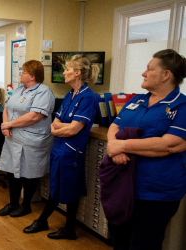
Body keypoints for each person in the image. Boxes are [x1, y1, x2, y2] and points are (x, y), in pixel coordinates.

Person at [105, 49, 186, 249]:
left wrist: (121, 145)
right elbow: (115, 126)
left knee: (144, 243)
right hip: (123, 185)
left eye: (149, 69)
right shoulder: (136, 100)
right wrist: (115, 148)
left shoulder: (181, 106)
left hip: (156, 191)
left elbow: (169, 144)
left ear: (166, 74)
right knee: (118, 239)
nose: (143, 73)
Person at [23, 55, 100, 240]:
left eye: (67, 69)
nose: (64, 72)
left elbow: (74, 129)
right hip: (59, 148)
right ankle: (59, 225)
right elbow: (55, 122)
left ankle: (55, 224)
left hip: (71, 151)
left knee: (68, 189)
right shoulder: (69, 94)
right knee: (57, 186)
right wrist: (61, 129)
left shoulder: (88, 97)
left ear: (77, 72)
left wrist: (60, 129)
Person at [0, 60, 55, 218]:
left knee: (28, 172)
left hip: (31, 140)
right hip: (13, 137)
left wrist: (8, 124)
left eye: (23, 72)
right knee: (11, 170)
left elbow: (34, 116)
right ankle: (13, 203)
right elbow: (7, 108)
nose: (20, 74)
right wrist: (6, 125)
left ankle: (26, 205)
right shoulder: (19, 89)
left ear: (32, 76)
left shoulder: (43, 92)